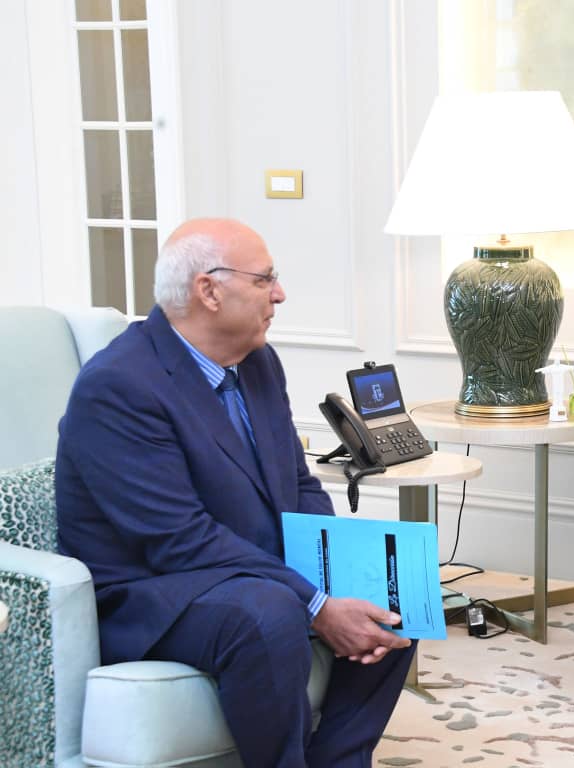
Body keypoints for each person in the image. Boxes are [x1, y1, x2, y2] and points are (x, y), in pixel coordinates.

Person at [55, 218, 414, 767]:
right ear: (209, 291)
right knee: (269, 612)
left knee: (394, 585)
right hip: (154, 590)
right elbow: (179, 541)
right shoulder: (118, 385)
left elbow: (297, 483)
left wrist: (333, 562)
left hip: (247, 568)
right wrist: (316, 603)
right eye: (265, 279)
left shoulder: (258, 361)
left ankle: (340, 758)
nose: (280, 294)